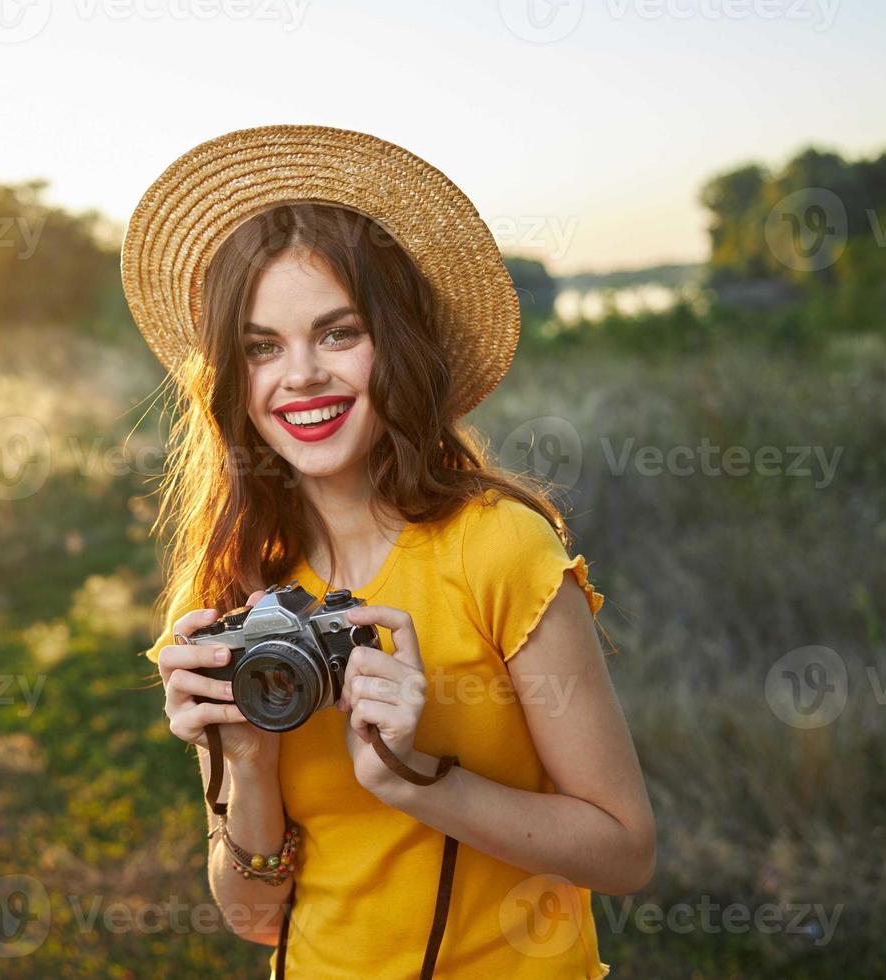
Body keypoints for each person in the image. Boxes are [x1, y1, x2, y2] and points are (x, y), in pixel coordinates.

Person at [126, 124, 655, 979]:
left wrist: (418, 783)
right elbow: (255, 918)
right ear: (233, 375)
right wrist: (248, 765)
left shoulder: (500, 551)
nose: (299, 376)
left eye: (337, 334)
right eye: (262, 346)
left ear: (396, 346)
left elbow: (625, 853)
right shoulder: (233, 593)